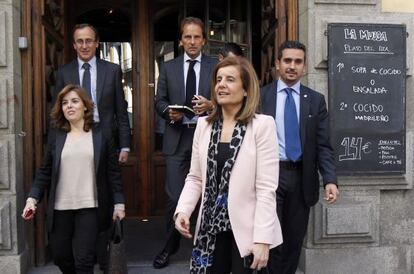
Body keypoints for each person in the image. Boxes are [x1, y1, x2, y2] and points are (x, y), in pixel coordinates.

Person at [174, 57, 283, 273]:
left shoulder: (263, 126)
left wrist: (263, 238)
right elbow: (195, 177)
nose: (221, 84)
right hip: (209, 229)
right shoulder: (204, 126)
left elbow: (266, 189)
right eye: (219, 79)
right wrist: (183, 210)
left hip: (248, 231)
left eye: (230, 79)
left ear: (245, 90)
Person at [22, 85, 125, 274]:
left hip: (90, 207)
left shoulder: (102, 135)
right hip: (61, 208)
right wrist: (32, 199)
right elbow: (44, 172)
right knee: (61, 256)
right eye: (65, 103)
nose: (69, 106)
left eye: (74, 101)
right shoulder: (57, 136)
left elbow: (113, 173)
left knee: (85, 261)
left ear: (85, 106)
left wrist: (119, 203)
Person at [261, 40, 339, 274]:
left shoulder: (315, 100)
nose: (292, 66)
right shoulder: (261, 97)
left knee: (294, 242)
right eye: (287, 61)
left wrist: (330, 180)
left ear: (304, 67)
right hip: (269, 178)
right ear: (277, 64)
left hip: (301, 178)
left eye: (298, 61)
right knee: (271, 240)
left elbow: (323, 145)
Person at [153, 17, 218, 268]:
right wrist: (167, 111)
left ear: (204, 40)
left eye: (197, 37)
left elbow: (228, 96)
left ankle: (207, 249)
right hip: (176, 138)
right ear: (181, 41)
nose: (192, 41)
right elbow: (158, 101)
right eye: (187, 37)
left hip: (208, 137)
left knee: (209, 196)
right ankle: (169, 248)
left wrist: (211, 105)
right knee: (174, 197)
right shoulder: (168, 68)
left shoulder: (215, 66)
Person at [55, 23, 130, 164]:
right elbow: (57, 112)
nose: (84, 46)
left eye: (89, 41)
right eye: (80, 41)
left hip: (106, 139)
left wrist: (125, 146)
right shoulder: (64, 73)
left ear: (96, 43)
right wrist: (55, 146)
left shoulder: (112, 71)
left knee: (106, 185)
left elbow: (121, 111)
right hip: (74, 139)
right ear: (74, 45)